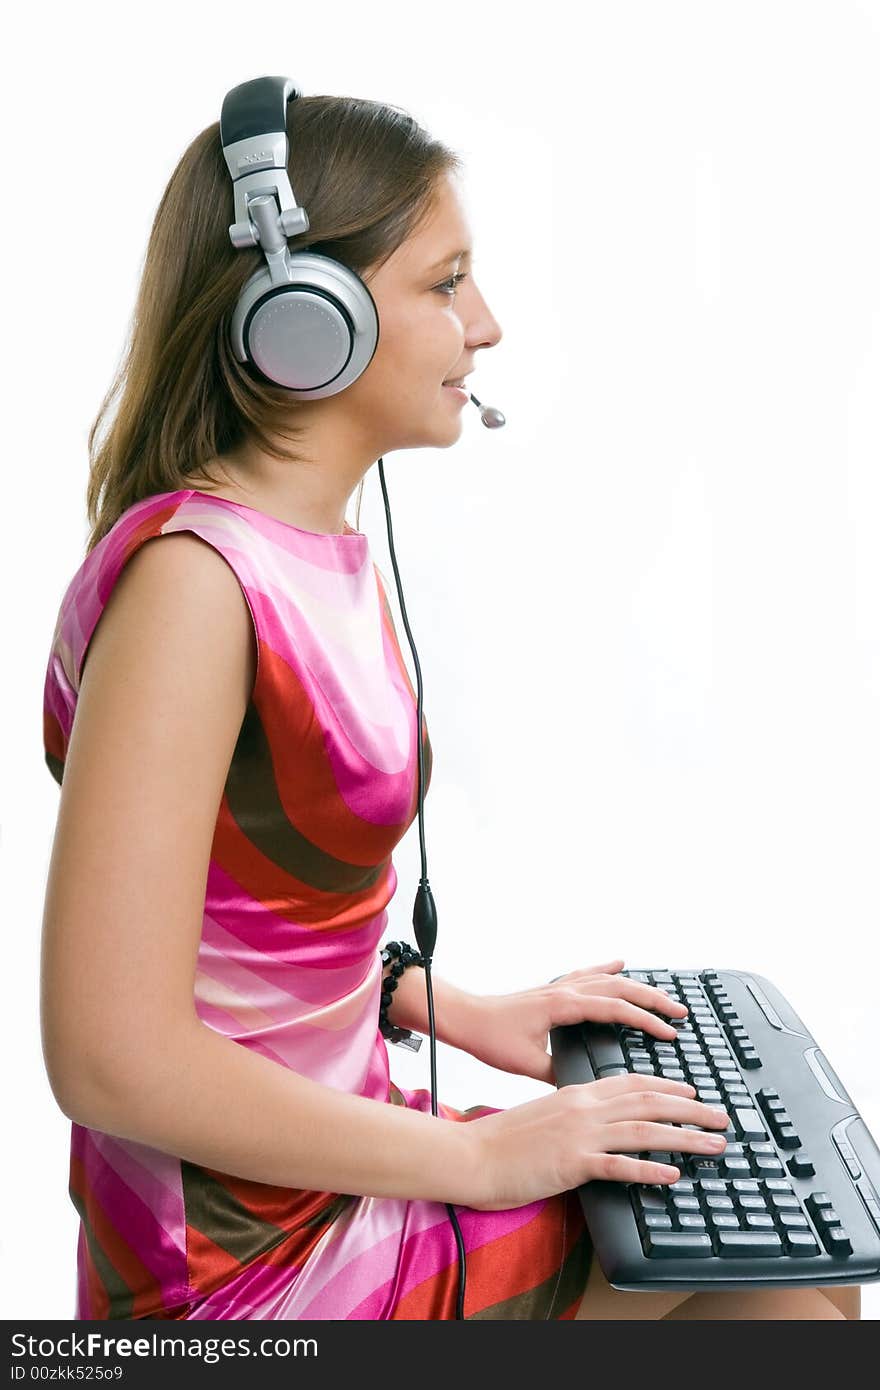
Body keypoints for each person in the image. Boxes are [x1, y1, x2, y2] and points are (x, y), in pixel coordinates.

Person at [40, 92, 860, 1321]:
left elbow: (237, 935)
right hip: (234, 1272)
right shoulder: (196, 591)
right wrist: (479, 1157)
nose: (486, 325)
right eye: (446, 283)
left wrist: (453, 1009)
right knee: (774, 1282)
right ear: (305, 321)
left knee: (776, 1254)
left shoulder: (311, 547)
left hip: (331, 1163)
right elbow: (109, 1054)